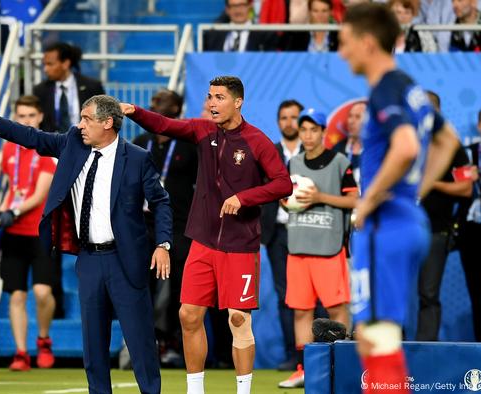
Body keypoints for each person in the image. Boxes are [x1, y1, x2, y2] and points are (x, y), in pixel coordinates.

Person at [0, 94, 172, 394]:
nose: (80, 124)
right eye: (81, 118)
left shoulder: (136, 158)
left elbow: (161, 202)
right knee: (93, 343)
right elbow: (33, 138)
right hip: (90, 260)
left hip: (126, 259)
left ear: (107, 123)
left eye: (87, 119)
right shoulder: (73, 143)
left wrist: (163, 244)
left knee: (140, 340)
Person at [122, 76, 293, 394]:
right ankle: (195, 389)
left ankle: (243, 391)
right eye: (210, 97)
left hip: (240, 245)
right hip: (201, 240)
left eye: (219, 97)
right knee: (188, 314)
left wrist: (245, 197)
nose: (212, 103)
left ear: (238, 102)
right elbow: (163, 125)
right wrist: (133, 110)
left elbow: (284, 183)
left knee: (238, 320)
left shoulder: (257, 141)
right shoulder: (201, 131)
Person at [338, 3, 460, 392]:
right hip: (407, 219)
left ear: (368, 43)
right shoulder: (410, 87)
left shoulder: (386, 88)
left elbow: (406, 147)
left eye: (345, 43)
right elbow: (448, 140)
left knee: (375, 334)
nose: (342, 52)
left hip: (385, 224)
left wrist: (370, 199)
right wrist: (414, 192)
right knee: (377, 331)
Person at [278, 109, 357, 388]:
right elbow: (284, 200)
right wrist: (288, 203)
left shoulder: (339, 162)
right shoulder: (294, 162)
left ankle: (343, 364)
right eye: (304, 130)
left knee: (336, 308)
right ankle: (304, 369)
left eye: (314, 129)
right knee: (301, 311)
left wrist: (319, 197)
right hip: (298, 247)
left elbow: (354, 201)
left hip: (329, 247)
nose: (308, 135)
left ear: (324, 131)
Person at [0, 96, 58, 371]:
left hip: (40, 232)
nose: (26, 120)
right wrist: (4, 210)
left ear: (40, 117)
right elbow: (10, 186)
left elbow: (39, 194)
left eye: (31, 115)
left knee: (42, 292)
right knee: (16, 295)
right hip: (14, 233)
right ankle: (21, 352)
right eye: (21, 115)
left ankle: (43, 339)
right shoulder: (9, 149)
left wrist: (12, 212)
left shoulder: (47, 148)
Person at [132, 89, 198, 367]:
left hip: (180, 225)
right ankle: (144, 344)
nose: (155, 106)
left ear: (177, 110)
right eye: (154, 102)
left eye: (163, 103)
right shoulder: (139, 143)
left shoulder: (189, 144)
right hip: (142, 224)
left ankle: (175, 343)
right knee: (140, 285)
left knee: (181, 287)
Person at [416, 90, 474, 341]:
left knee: (429, 294)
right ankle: (391, 351)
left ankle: (424, 351)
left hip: (435, 230)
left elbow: (466, 188)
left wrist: (431, 183)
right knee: (390, 292)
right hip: (400, 229)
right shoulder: (403, 144)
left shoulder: (453, 147)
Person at [260, 99, 304, 372]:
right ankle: (292, 355)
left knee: (314, 297)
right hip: (277, 234)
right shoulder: (269, 152)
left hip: (310, 233)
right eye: (284, 117)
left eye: (294, 117)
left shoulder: (314, 153)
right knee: (285, 296)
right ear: (278, 122)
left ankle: (315, 355)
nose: (289, 122)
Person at [456, 104, 481, 342]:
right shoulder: (467, 153)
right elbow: (460, 185)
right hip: (472, 234)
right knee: (478, 295)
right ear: (479, 127)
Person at [33, 42, 105, 133]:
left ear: (65, 64)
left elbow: (102, 117)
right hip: (54, 144)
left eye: (50, 64)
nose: (45, 69)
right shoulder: (40, 90)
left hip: (86, 143)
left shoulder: (92, 87)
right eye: (44, 64)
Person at [202, 0, 277, 52]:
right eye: (234, 6)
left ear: (250, 6)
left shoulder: (265, 36)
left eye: (242, 5)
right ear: (227, 9)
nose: (238, 11)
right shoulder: (212, 36)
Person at [332, 101, 366, 185]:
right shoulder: (337, 149)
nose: (351, 121)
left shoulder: (374, 150)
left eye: (357, 117)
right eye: (350, 116)